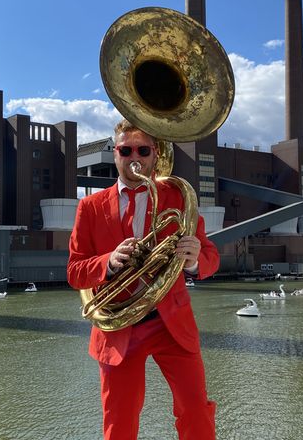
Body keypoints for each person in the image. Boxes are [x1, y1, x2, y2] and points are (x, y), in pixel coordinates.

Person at [68, 119, 219, 440]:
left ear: (155, 155)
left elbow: (211, 257)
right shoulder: (90, 207)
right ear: (115, 154)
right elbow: (75, 271)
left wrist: (194, 261)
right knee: (119, 423)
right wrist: (108, 261)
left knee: (195, 412)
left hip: (170, 322)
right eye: (125, 150)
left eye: (143, 149)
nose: (134, 156)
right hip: (118, 326)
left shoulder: (177, 198)